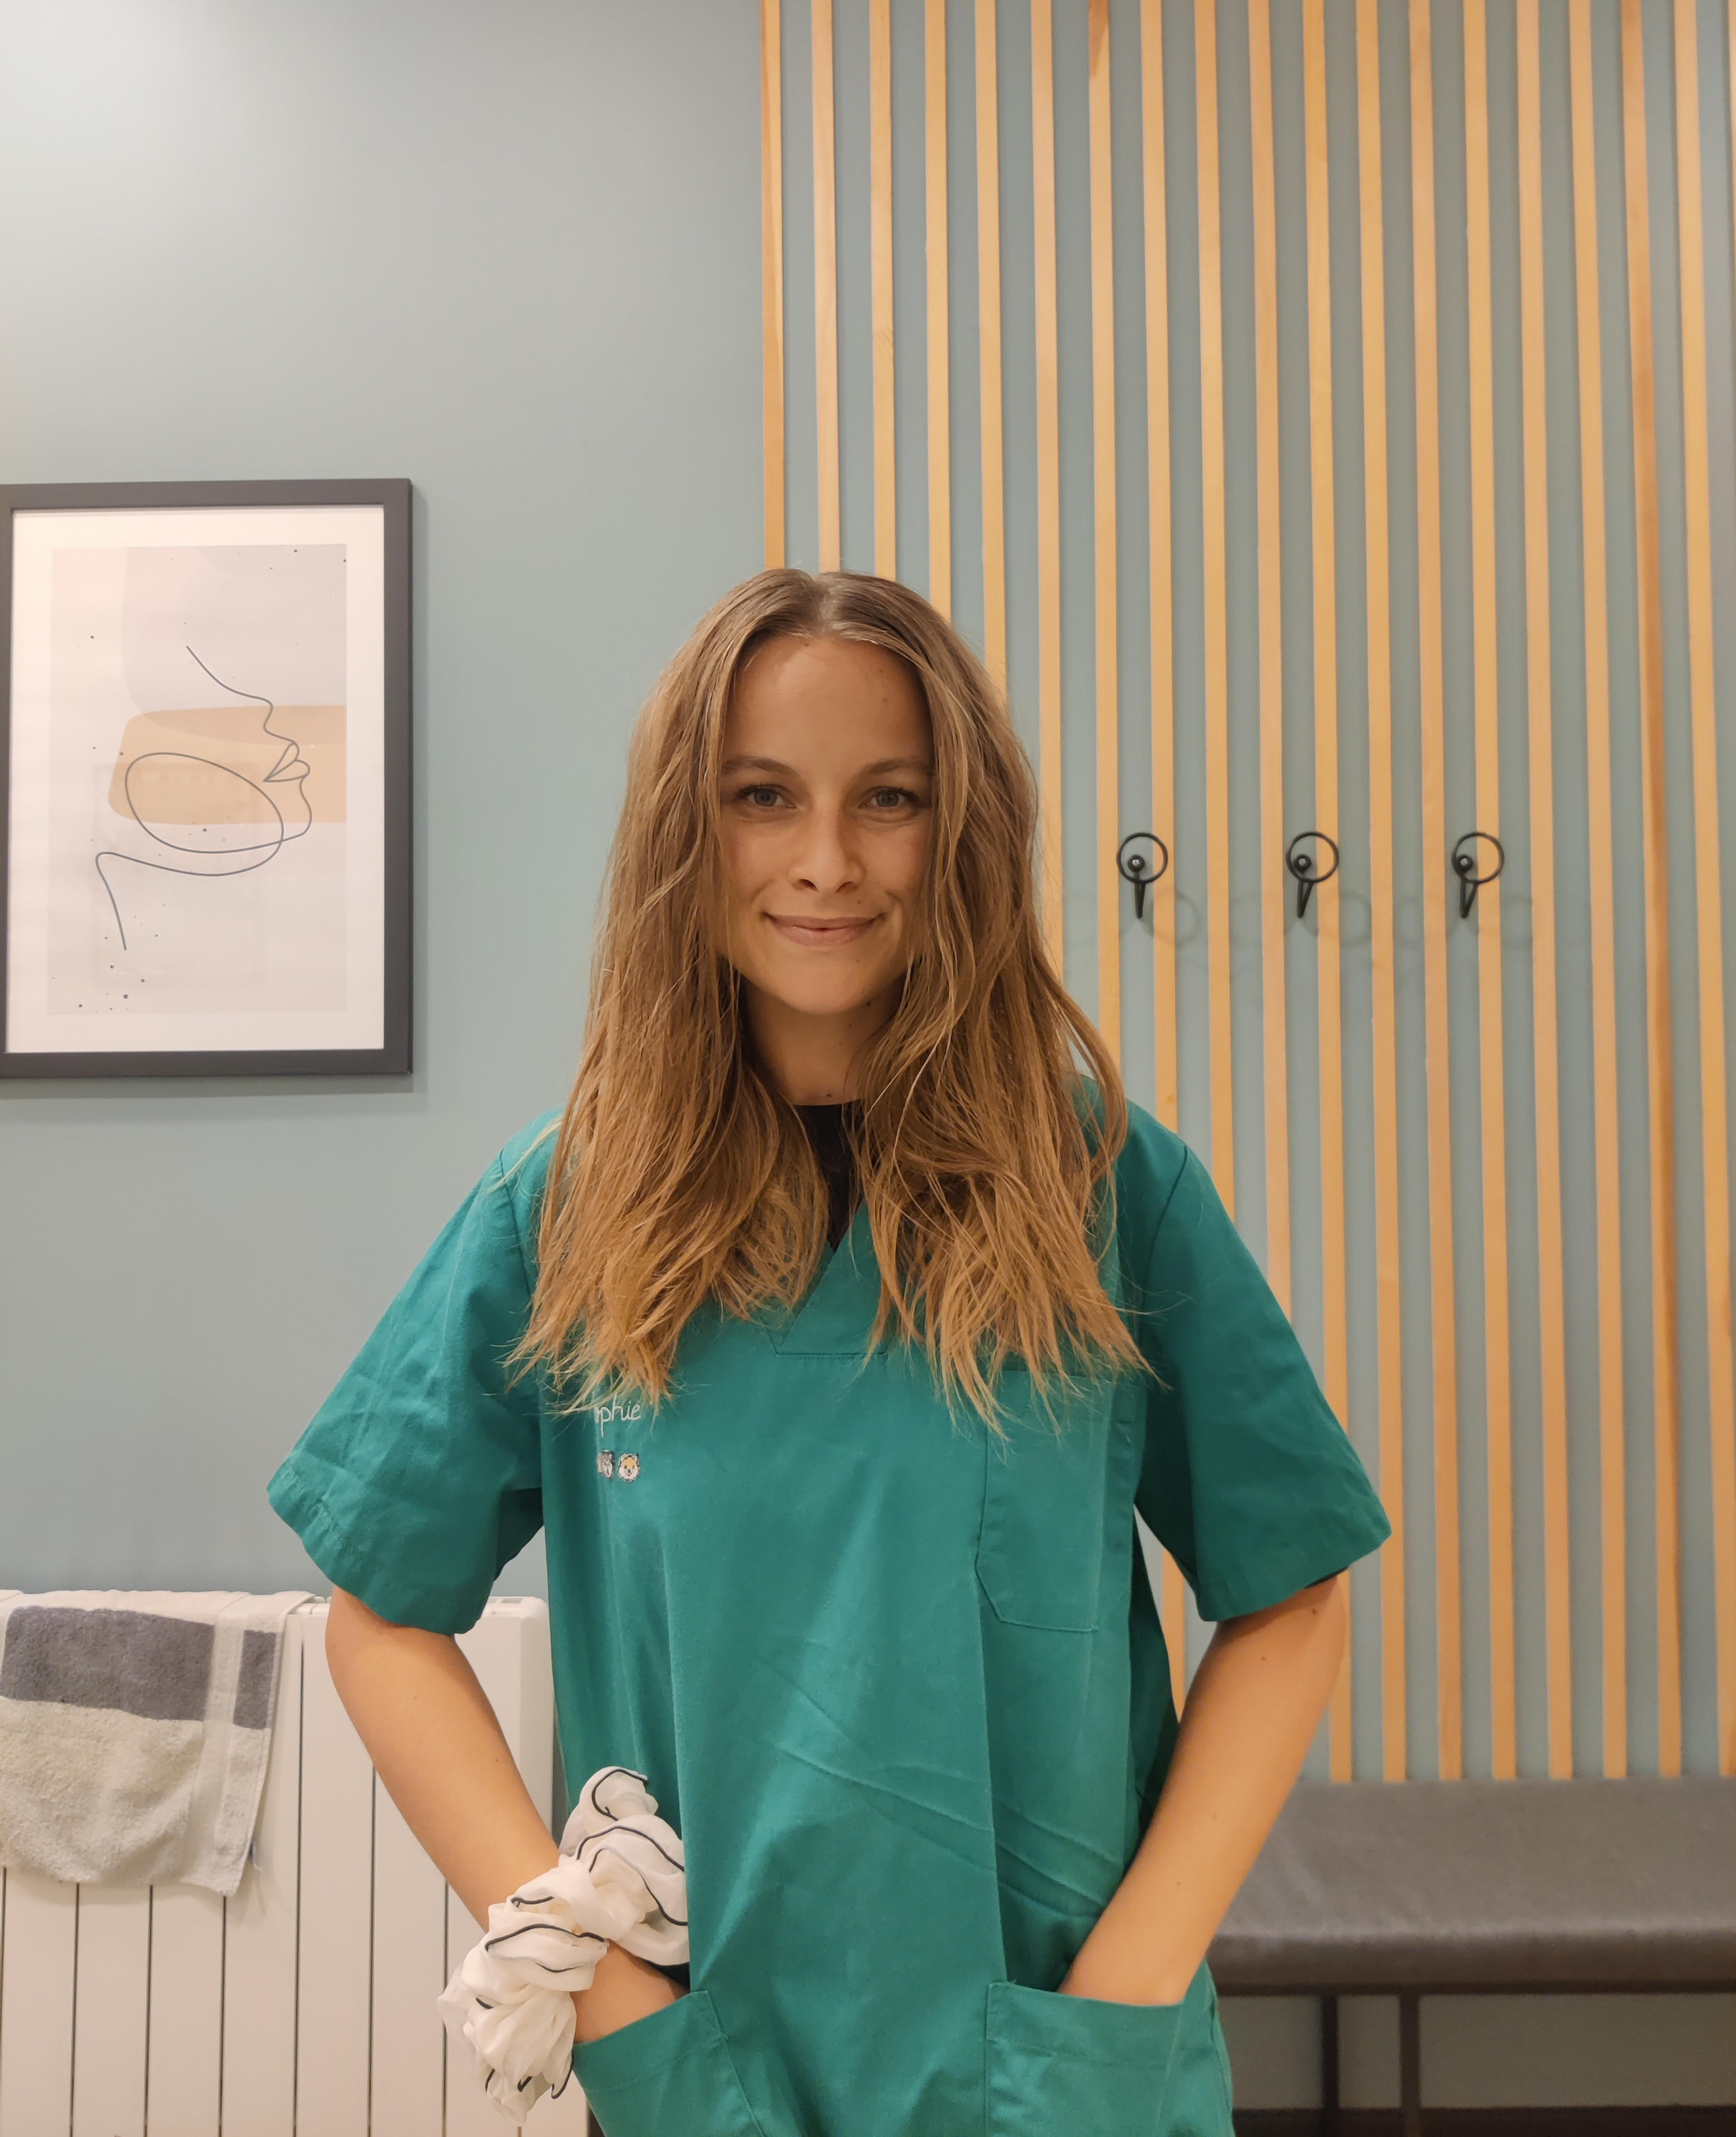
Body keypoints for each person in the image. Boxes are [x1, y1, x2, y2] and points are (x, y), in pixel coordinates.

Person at [267, 568, 1391, 2137]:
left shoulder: (1101, 1187)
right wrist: (592, 1979)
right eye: (762, 797)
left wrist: (1133, 1983)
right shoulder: (570, 1206)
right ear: (687, 828)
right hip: (706, 2067)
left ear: (963, 829)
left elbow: (1293, 1590)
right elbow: (380, 1617)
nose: (825, 861)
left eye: (890, 799)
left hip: (1055, 2067)